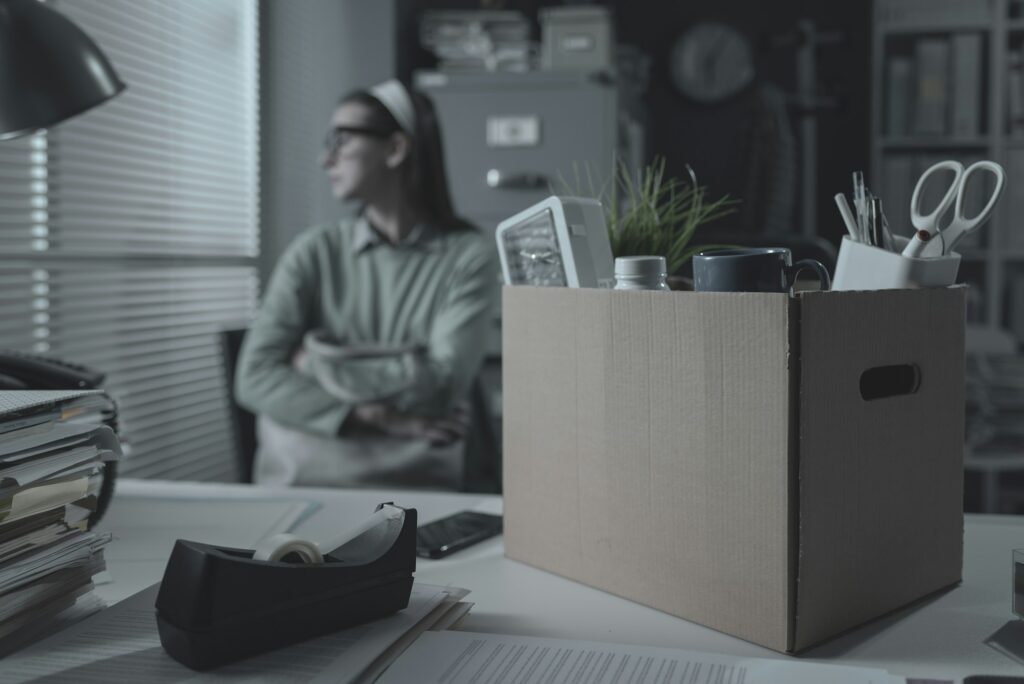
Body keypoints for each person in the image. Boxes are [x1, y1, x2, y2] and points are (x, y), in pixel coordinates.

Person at [235, 79, 498, 489]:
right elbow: (253, 378)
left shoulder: (468, 255)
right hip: (300, 491)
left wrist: (315, 362)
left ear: (395, 149)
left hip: (420, 492)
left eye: (341, 139)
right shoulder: (313, 251)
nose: (327, 158)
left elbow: (442, 386)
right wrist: (379, 417)